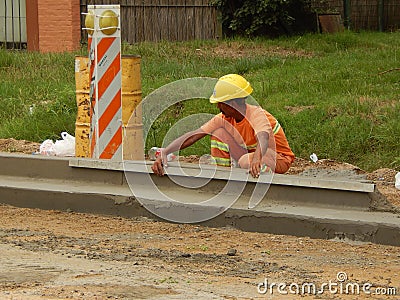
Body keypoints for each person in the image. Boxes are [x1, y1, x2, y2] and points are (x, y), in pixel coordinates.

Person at [151, 74, 295, 178]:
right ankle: (225, 177)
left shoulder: (257, 114)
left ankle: (267, 184)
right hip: (252, 155)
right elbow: (194, 135)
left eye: (220, 103)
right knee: (218, 133)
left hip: (277, 158)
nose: (218, 106)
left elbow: (263, 138)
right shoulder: (224, 118)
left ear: (231, 104)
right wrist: (165, 151)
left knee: (247, 160)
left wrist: (257, 158)